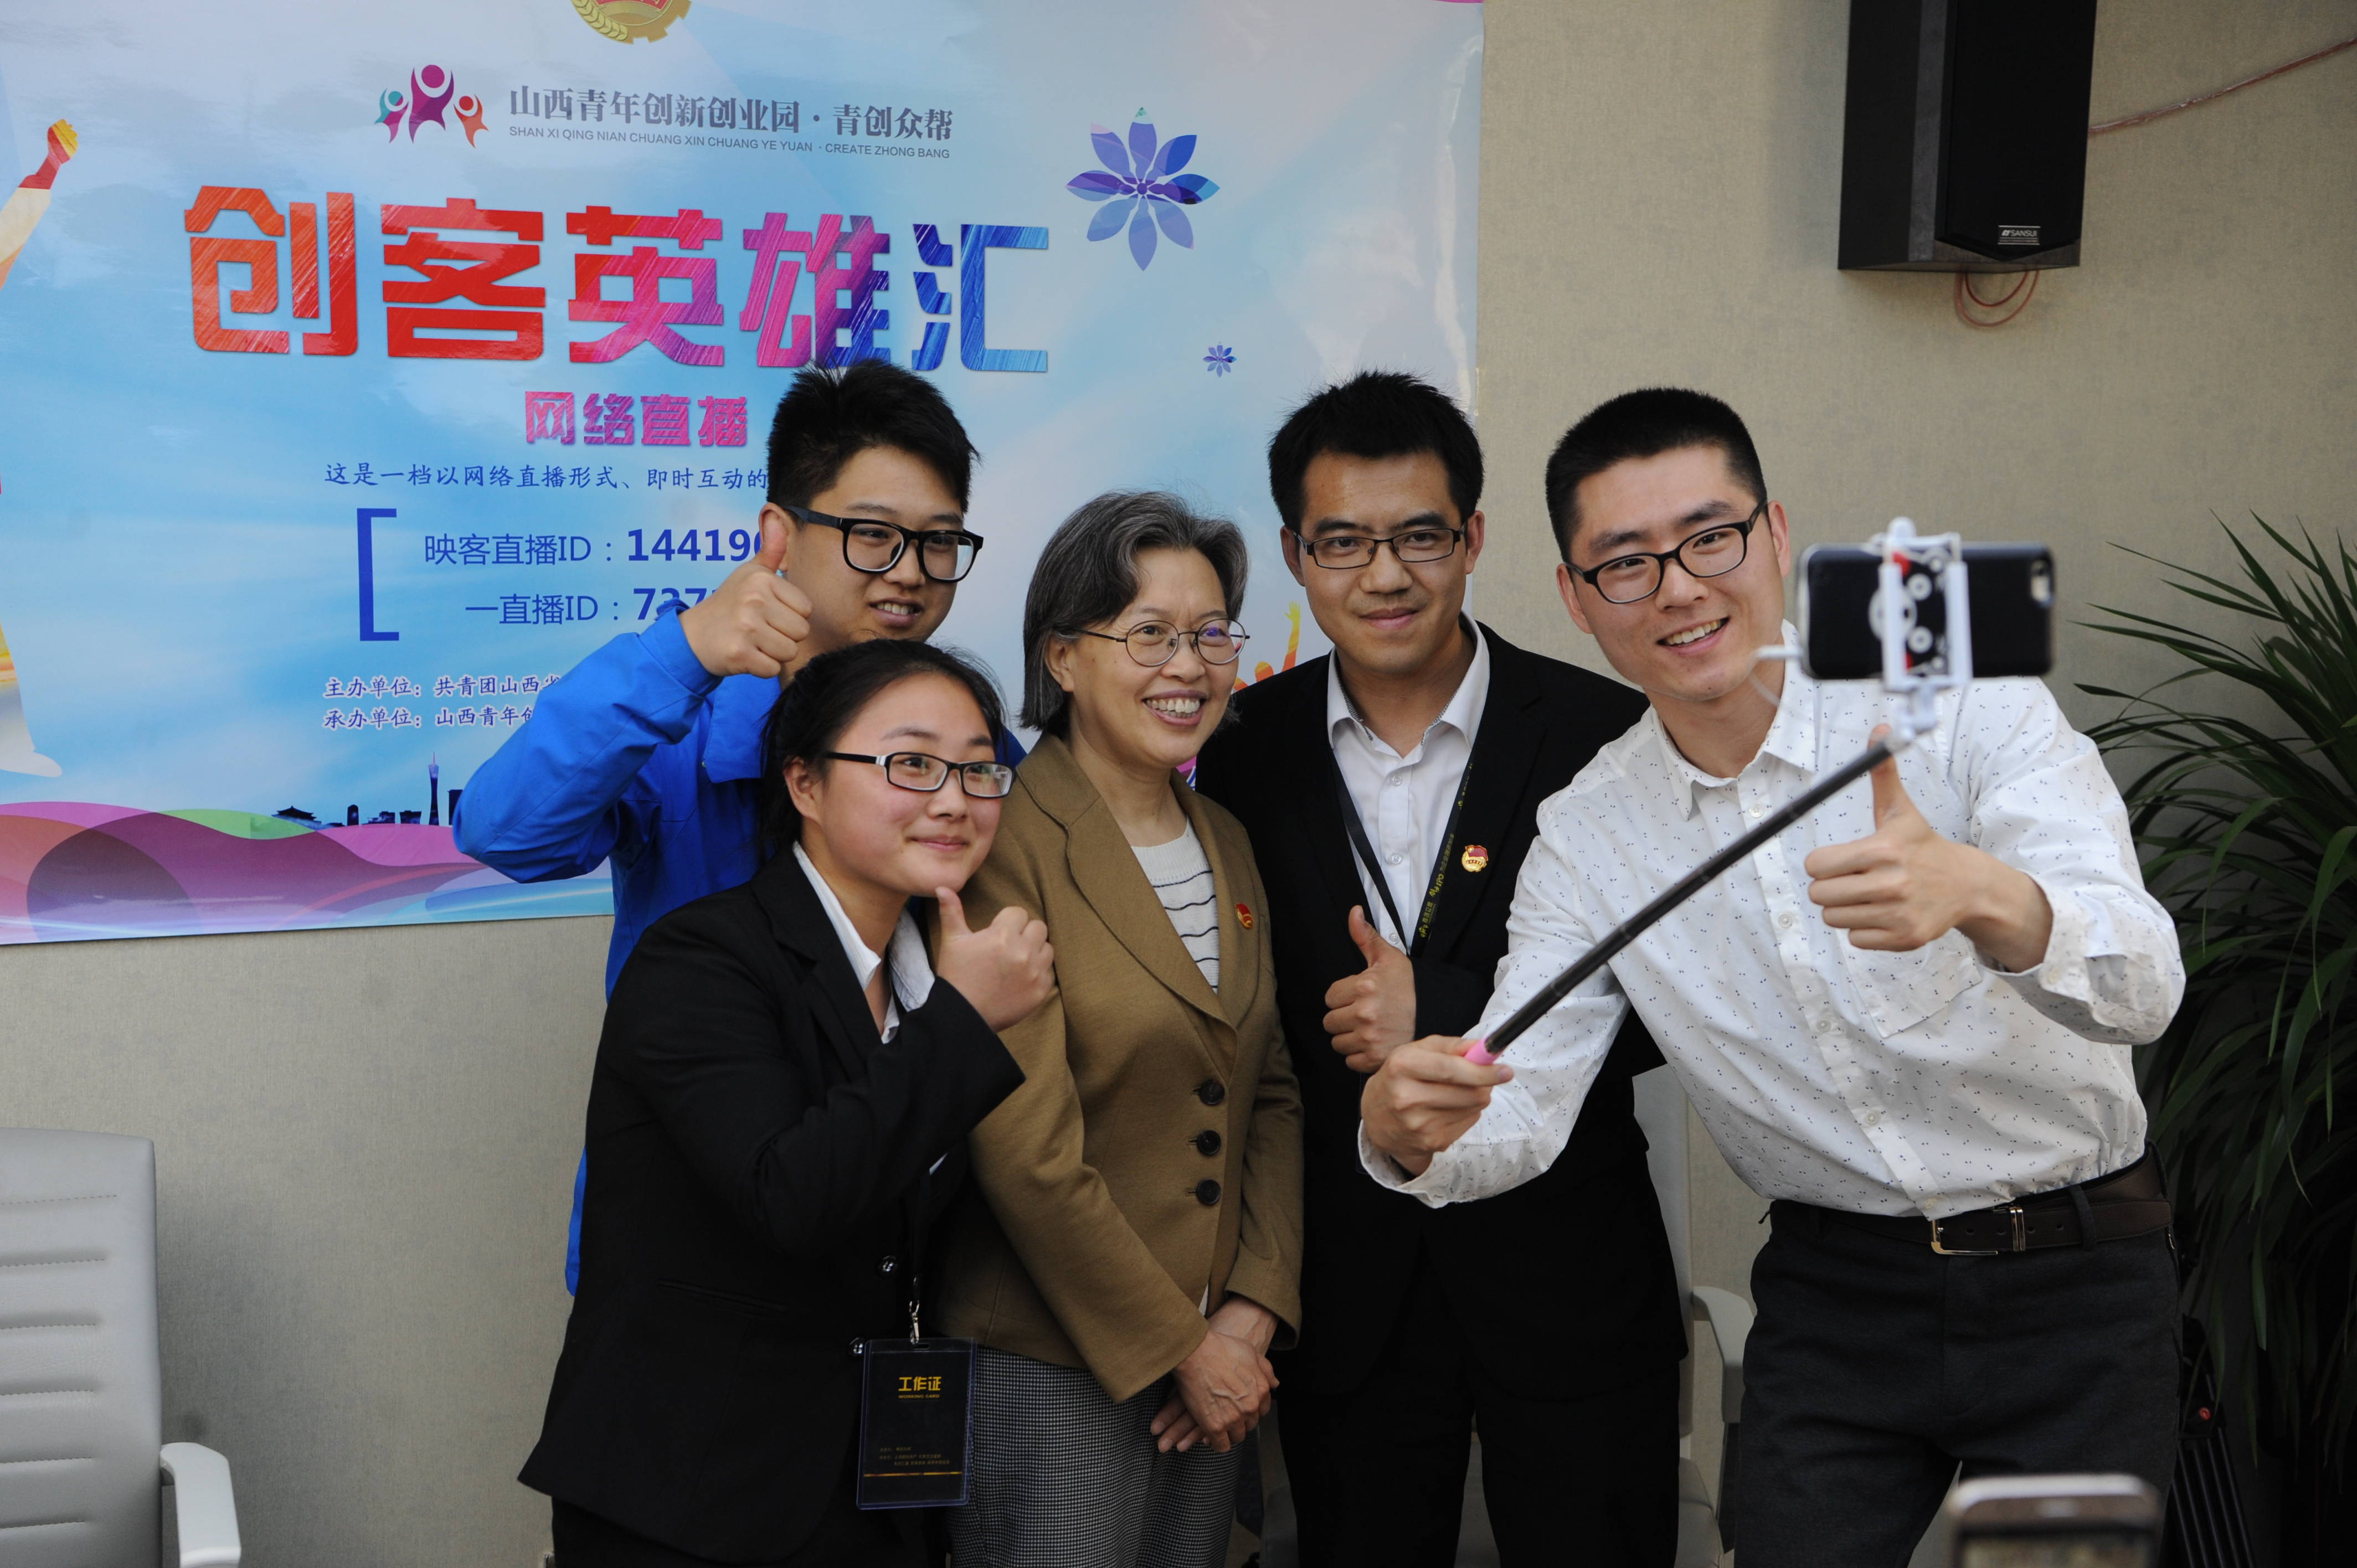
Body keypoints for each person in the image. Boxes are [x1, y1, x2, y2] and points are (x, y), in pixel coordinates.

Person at [1359, 388, 2186, 1568]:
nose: (1679, 588)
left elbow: (2145, 984)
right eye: (1625, 564)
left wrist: (1983, 896)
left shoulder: (1961, 706)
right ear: (1576, 599)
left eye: (1710, 537)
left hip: (2077, 1277)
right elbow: (1522, 1100)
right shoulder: (1589, 833)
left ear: (1776, 534)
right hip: (1834, 1296)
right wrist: (1411, 1135)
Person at [1189, 371, 1682, 1566]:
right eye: (1343, 543)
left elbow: (1683, 1003)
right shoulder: (1238, 751)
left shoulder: (1607, 735)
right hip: (1347, 1288)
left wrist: (1445, 1010)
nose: (1385, 575)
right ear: (1296, 556)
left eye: (1419, 537)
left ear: (1472, 538)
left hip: (1569, 1281)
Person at [454, 361, 1020, 1288]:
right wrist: (682, 653)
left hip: (903, 1244)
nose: (911, 574)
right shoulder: (684, 724)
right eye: (874, 535)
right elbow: (505, 832)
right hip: (695, 1254)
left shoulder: (972, 754)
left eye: (940, 542)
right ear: (779, 536)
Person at [518, 638, 1053, 1567]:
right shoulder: (702, 959)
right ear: (804, 784)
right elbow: (791, 1193)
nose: (954, 800)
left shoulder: (943, 964)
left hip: (872, 1493)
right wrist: (963, 1024)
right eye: (912, 764)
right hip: (692, 1495)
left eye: (979, 769)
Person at [935, 492, 1304, 1568]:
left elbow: (1269, 1087)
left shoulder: (1225, 835)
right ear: (1062, 656)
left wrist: (1250, 1311)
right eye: (1149, 635)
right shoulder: (1003, 838)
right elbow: (1024, 1148)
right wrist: (1182, 1344)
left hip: (1216, 1362)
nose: (1186, 666)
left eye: (1211, 634)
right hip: (1050, 1358)